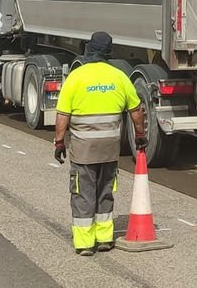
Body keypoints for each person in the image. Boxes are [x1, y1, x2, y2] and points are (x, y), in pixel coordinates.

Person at [53, 31, 147, 256]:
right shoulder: (119, 77)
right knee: (105, 191)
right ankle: (105, 238)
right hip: (110, 149)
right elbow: (136, 111)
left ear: (88, 50)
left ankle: (85, 243)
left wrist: (59, 142)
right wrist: (140, 135)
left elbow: (62, 115)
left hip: (84, 150)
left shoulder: (76, 77)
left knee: (83, 194)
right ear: (108, 52)